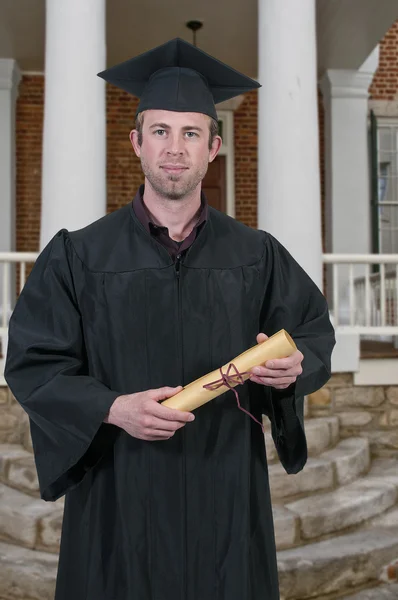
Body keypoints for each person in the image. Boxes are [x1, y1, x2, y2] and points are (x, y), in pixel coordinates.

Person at [5, 38, 335, 600]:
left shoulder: (257, 254)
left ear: (214, 147)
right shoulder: (78, 256)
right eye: (160, 131)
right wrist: (111, 407)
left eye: (191, 133)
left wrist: (295, 370)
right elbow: (34, 365)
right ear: (136, 142)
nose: (175, 148)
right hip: (120, 489)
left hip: (224, 484)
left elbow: (310, 334)